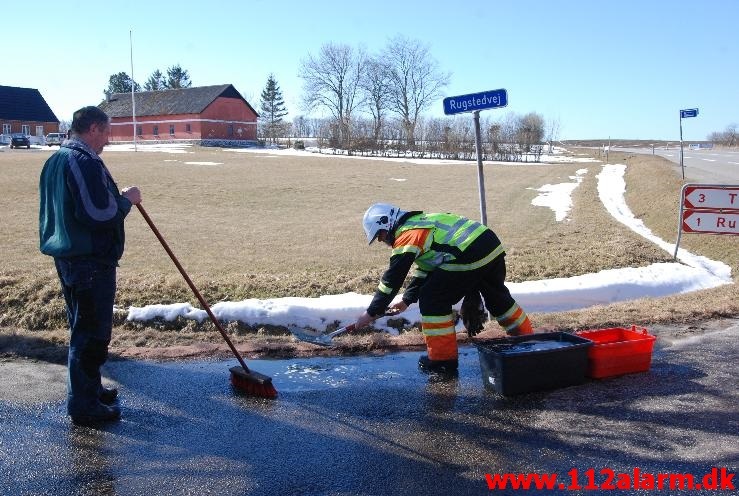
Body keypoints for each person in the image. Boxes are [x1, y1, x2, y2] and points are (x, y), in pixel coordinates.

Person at [39, 106, 142, 425]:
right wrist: (127, 201)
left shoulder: (57, 159)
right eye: (107, 132)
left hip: (72, 256)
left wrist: (115, 197)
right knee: (91, 333)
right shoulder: (81, 161)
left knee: (83, 327)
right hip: (88, 260)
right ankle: (83, 405)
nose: (108, 140)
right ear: (94, 128)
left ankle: (90, 389)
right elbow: (98, 215)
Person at [356, 203, 532, 374]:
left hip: (468, 253)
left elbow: (392, 279)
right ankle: (529, 340)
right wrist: (406, 300)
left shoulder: (407, 235)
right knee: (497, 298)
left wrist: (371, 312)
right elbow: (427, 269)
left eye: (381, 235)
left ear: (387, 222)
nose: (382, 240)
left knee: (432, 299)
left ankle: (442, 360)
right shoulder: (421, 221)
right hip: (490, 245)